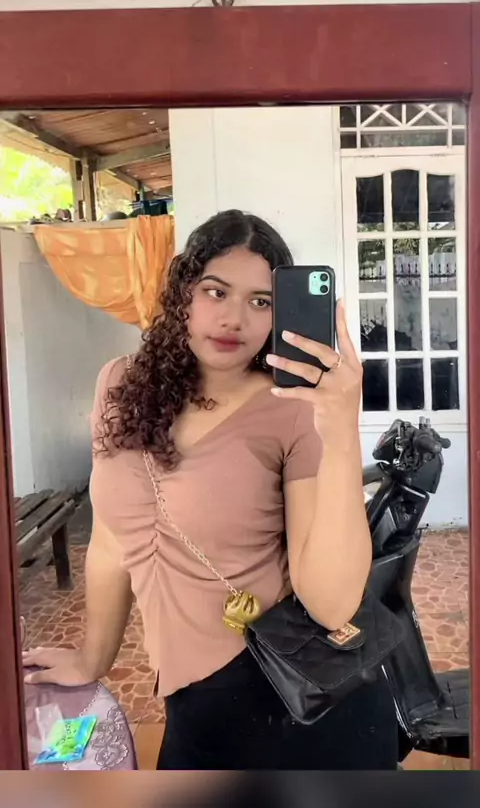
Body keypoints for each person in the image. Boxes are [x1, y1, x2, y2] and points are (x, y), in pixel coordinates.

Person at [23, 209, 398, 770]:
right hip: (190, 701)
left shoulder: (293, 411)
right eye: (216, 291)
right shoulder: (118, 385)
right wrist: (92, 657)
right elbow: (111, 540)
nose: (233, 318)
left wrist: (343, 431)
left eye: (261, 302)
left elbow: (331, 604)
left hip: (290, 694)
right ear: (184, 292)